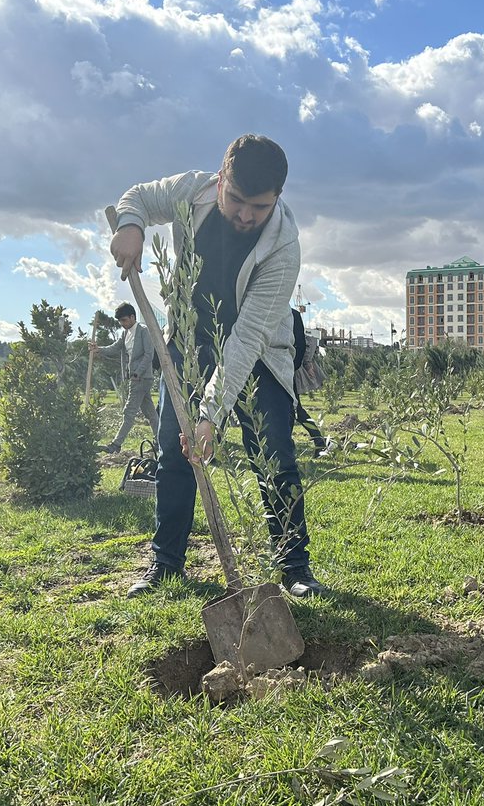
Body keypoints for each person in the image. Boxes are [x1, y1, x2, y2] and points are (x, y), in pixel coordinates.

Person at [109, 135, 327, 598]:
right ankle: (166, 563)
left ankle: (294, 568)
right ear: (220, 178)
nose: (246, 215)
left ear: (278, 198)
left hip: (259, 355)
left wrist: (210, 415)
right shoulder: (191, 190)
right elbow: (140, 198)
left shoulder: (283, 247)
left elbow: (246, 338)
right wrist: (132, 224)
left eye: (260, 207)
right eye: (237, 200)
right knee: (174, 453)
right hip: (187, 345)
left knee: (273, 455)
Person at [89, 301, 159, 453]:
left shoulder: (143, 331)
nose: (122, 323)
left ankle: (116, 445)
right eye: (120, 321)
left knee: (129, 411)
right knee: (151, 413)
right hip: (134, 378)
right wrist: (98, 349)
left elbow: (149, 355)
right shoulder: (125, 333)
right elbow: (115, 348)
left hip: (141, 378)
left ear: (132, 317)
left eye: (124, 320)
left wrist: (137, 373)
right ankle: (161, 442)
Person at [291, 308, 331, 456]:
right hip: (283, 372)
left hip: (284, 373)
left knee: (295, 409)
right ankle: (318, 441)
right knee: (295, 410)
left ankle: (318, 441)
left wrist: (306, 364)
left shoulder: (290, 316)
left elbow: (302, 344)